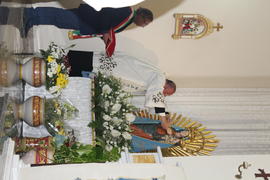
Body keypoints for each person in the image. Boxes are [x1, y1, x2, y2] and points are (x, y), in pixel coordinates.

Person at [67, 50, 176, 131]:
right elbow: (156, 95)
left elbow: (153, 99)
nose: (164, 96)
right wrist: (163, 121)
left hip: (116, 72)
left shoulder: (153, 83)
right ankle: (60, 60)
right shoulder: (160, 77)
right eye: (166, 93)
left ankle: (62, 69)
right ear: (166, 86)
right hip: (118, 68)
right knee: (87, 63)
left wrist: (165, 114)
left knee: (82, 69)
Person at [23, 3, 153, 44]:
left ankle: (32, 21)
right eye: (145, 23)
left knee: (58, 20)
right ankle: (30, 14)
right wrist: (104, 32)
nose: (142, 26)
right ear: (141, 16)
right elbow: (106, 12)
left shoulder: (129, 20)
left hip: (87, 23)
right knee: (58, 17)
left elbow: (109, 27)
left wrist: (105, 39)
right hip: (87, 18)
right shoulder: (127, 11)